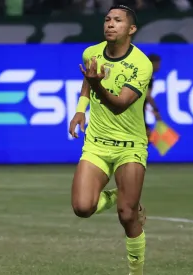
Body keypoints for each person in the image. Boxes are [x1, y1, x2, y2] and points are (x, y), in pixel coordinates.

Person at [68, 5, 152, 275]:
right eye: (107, 19)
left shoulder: (141, 64)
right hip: (97, 143)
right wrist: (81, 109)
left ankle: (136, 272)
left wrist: (95, 85)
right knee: (82, 208)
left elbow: (119, 105)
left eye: (118, 20)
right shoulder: (91, 53)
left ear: (131, 29)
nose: (110, 24)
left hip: (130, 146)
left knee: (127, 217)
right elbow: (87, 81)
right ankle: (125, 196)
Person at [144, 53, 162, 139]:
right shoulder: (148, 77)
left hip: (139, 110)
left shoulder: (146, 75)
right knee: (147, 136)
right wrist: (155, 109)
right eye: (158, 64)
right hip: (138, 113)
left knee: (147, 136)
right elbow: (147, 95)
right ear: (153, 63)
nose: (159, 66)